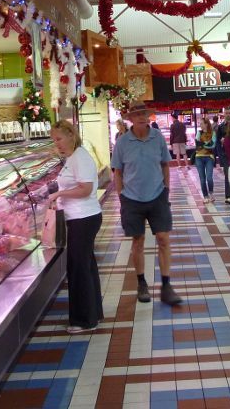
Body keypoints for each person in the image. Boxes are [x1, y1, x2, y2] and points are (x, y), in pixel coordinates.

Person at [111, 101, 181, 305]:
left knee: (163, 239)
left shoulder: (157, 137)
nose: (142, 117)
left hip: (158, 195)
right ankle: (142, 283)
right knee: (138, 241)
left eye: (144, 113)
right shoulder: (123, 142)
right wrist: (122, 197)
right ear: (130, 118)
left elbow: (165, 165)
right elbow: (118, 172)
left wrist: (166, 190)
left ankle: (166, 286)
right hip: (131, 199)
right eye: (137, 114)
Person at [47, 121, 104, 333]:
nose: (57, 144)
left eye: (59, 139)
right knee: (86, 266)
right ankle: (93, 313)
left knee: (78, 268)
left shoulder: (80, 157)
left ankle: (83, 320)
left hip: (84, 218)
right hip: (80, 217)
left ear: (71, 135)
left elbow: (86, 190)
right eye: (54, 140)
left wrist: (59, 194)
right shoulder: (73, 157)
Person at [195, 117, 216, 205]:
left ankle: (211, 193)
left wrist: (204, 145)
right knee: (202, 179)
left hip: (209, 157)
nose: (200, 125)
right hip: (198, 157)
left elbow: (213, 145)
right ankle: (205, 196)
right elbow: (197, 144)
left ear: (206, 124)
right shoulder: (199, 132)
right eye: (200, 123)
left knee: (209, 178)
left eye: (201, 123)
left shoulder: (213, 133)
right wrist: (207, 144)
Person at [215, 107, 230, 203]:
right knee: (228, 175)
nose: (227, 115)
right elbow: (217, 142)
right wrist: (220, 157)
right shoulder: (221, 126)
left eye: (229, 113)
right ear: (223, 114)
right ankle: (228, 196)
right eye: (226, 113)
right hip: (225, 155)